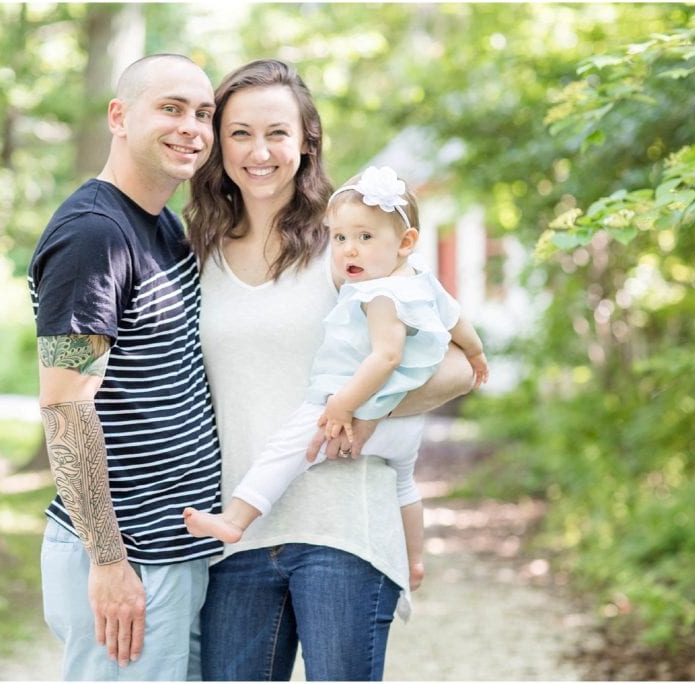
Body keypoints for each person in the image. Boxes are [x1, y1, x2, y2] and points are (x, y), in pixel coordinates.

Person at [183, 59, 475, 681]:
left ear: (307, 141)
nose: (259, 151)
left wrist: (364, 411)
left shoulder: (353, 243)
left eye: (278, 133)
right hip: (237, 536)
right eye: (240, 133)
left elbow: (457, 365)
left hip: (344, 529)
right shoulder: (194, 253)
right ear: (217, 145)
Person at [184, 165, 490, 593]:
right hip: (404, 424)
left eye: (365, 238)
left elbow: (386, 356)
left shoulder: (379, 293)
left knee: (287, 449)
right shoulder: (421, 281)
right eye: (342, 238)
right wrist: (475, 355)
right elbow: (458, 322)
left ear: (405, 243)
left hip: (366, 405)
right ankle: (414, 560)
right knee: (404, 484)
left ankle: (235, 519)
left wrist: (345, 403)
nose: (349, 251)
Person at [28, 53, 223, 681]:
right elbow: (65, 405)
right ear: (120, 116)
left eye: (203, 114)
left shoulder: (163, 228)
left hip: (175, 553)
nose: (191, 127)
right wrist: (108, 561)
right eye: (170, 108)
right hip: (127, 559)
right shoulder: (95, 235)